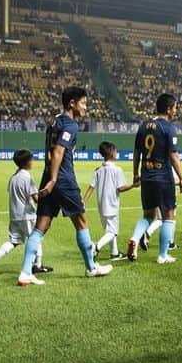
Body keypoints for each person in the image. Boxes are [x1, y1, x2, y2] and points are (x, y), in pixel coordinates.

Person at [19, 86, 112, 284]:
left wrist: (49, 179)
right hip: (62, 179)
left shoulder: (54, 121)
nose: (86, 107)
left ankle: (26, 272)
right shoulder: (70, 125)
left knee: (40, 226)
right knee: (82, 223)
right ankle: (91, 267)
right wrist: (54, 180)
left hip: (49, 177)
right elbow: (59, 152)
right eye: (84, 103)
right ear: (72, 103)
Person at [126, 94, 182, 265]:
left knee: (148, 215)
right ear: (168, 109)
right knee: (168, 217)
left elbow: (137, 152)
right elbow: (173, 155)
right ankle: (162, 255)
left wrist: (135, 174)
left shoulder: (143, 126)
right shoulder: (168, 128)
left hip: (146, 175)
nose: (176, 111)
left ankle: (135, 237)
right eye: (175, 107)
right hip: (163, 177)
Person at [0, 150, 51, 278]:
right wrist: (46, 193)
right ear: (27, 162)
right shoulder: (27, 177)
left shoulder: (13, 177)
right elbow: (35, 198)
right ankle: (38, 265)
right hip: (27, 215)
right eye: (31, 159)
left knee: (14, 241)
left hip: (15, 215)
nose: (33, 162)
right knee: (36, 237)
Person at [83, 141, 136, 260]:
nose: (117, 153)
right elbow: (121, 188)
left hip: (101, 205)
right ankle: (96, 247)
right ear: (112, 153)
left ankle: (114, 253)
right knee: (113, 231)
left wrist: (84, 201)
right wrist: (133, 185)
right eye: (116, 151)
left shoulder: (98, 170)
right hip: (111, 205)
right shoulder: (117, 170)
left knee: (109, 229)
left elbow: (91, 187)